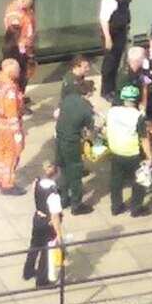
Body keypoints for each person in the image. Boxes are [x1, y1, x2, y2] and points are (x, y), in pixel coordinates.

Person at [105, 84, 152, 217]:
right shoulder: (138, 116)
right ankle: (136, 208)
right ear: (136, 100)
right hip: (132, 153)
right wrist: (149, 157)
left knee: (116, 180)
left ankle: (116, 206)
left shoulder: (112, 111)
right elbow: (144, 139)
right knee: (140, 179)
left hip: (115, 150)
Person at [55, 78, 97, 215]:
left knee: (63, 169)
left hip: (59, 138)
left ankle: (63, 198)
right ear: (89, 93)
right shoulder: (86, 108)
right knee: (75, 173)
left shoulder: (67, 99)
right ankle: (76, 205)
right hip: (72, 142)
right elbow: (90, 130)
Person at [23, 161, 64, 288]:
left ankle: (28, 271)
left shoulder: (37, 181)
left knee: (34, 245)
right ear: (57, 174)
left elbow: (35, 194)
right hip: (48, 222)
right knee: (47, 251)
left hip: (37, 217)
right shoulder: (53, 194)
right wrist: (59, 234)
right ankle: (42, 280)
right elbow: (55, 216)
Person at [0, 58, 26, 195]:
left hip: (0, 122)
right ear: (11, 71)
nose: (19, 73)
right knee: (12, 153)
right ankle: (8, 184)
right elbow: (12, 112)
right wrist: (17, 132)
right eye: (17, 70)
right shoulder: (10, 89)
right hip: (9, 126)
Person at [99, 0, 133, 102]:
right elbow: (104, 19)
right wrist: (107, 38)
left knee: (117, 61)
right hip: (112, 34)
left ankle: (113, 87)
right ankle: (106, 90)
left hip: (121, 33)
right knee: (109, 62)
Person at [3, 0, 37, 109]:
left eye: (29, 2)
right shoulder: (15, 15)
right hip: (18, 51)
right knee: (20, 76)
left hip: (27, 48)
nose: (26, 4)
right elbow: (14, 36)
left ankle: (21, 95)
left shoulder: (26, 10)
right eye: (24, 1)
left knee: (27, 74)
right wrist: (23, 52)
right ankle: (18, 102)